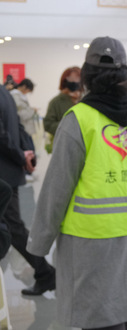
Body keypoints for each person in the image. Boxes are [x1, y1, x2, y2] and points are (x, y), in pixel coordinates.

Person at [26, 36, 127, 330]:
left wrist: (39, 242)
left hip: (90, 237)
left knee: (99, 314)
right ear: (126, 74)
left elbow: (57, 188)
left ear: (87, 75)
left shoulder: (79, 118)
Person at [1, 83, 57, 296]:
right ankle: (45, 273)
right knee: (14, 227)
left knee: (13, 228)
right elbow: (17, 127)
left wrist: (21, 155)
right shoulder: (5, 92)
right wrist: (26, 153)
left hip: (4, 174)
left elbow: (2, 135)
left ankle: (45, 273)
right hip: (9, 171)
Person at [43, 66, 82, 140]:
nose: (75, 82)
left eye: (78, 79)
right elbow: (48, 125)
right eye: (71, 79)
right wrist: (68, 125)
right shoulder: (56, 102)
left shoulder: (85, 100)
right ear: (65, 81)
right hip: (64, 141)